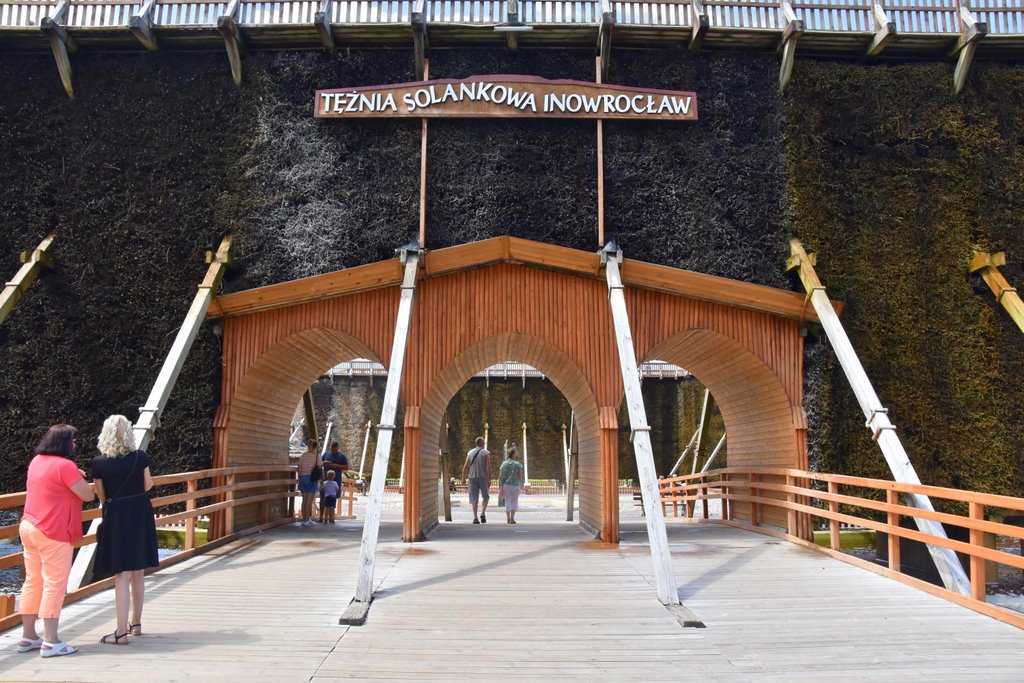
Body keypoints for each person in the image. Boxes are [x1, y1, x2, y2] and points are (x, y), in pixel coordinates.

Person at [17, 424, 95, 658]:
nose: (75, 444)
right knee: (54, 583)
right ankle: (51, 641)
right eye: (73, 440)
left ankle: (28, 636)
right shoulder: (65, 465)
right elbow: (87, 495)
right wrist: (79, 476)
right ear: (64, 442)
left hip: (29, 525)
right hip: (53, 530)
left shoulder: (36, 461)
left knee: (33, 581)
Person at [90, 415, 159, 645]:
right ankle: (135, 624)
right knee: (138, 570)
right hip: (140, 511)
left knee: (121, 573)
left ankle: (120, 632)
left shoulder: (99, 463)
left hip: (117, 514)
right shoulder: (140, 456)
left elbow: (101, 495)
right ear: (129, 433)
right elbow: (148, 484)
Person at [461, 436, 490, 524]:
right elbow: (488, 468)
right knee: (485, 497)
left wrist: (463, 478)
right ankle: (483, 513)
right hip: (483, 477)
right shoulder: (486, 453)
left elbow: (465, 466)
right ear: (482, 443)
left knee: (474, 498)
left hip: (472, 478)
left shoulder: (470, 452)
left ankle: (475, 518)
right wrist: (489, 479)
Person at [320, 442, 349, 521]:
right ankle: (321, 517)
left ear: (337, 448)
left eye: (334, 450)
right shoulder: (326, 454)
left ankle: (331, 517)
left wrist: (335, 465)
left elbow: (346, 467)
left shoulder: (342, 456)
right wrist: (325, 462)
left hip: (336, 481)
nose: (333, 451)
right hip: (325, 480)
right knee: (322, 497)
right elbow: (320, 463)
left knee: (333, 498)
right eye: (332, 449)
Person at [297, 439, 322, 526]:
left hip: (303, 477)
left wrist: (300, 477)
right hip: (311, 478)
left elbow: (299, 467)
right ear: (316, 446)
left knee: (304, 500)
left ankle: (305, 518)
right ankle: (306, 520)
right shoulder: (317, 456)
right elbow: (319, 466)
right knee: (309, 501)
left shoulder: (303, 455)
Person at [498, 441, 524, 524]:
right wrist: (521, 484)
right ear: (513, 454)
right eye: (515, 453)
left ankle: (508, 518)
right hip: (515, 485)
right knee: (514, 501)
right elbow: (520, 476)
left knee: (507, 501)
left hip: (506, 485)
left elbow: (500, 475)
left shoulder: (504, 463)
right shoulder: (518, 464)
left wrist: (500, 485)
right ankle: (512, 518)